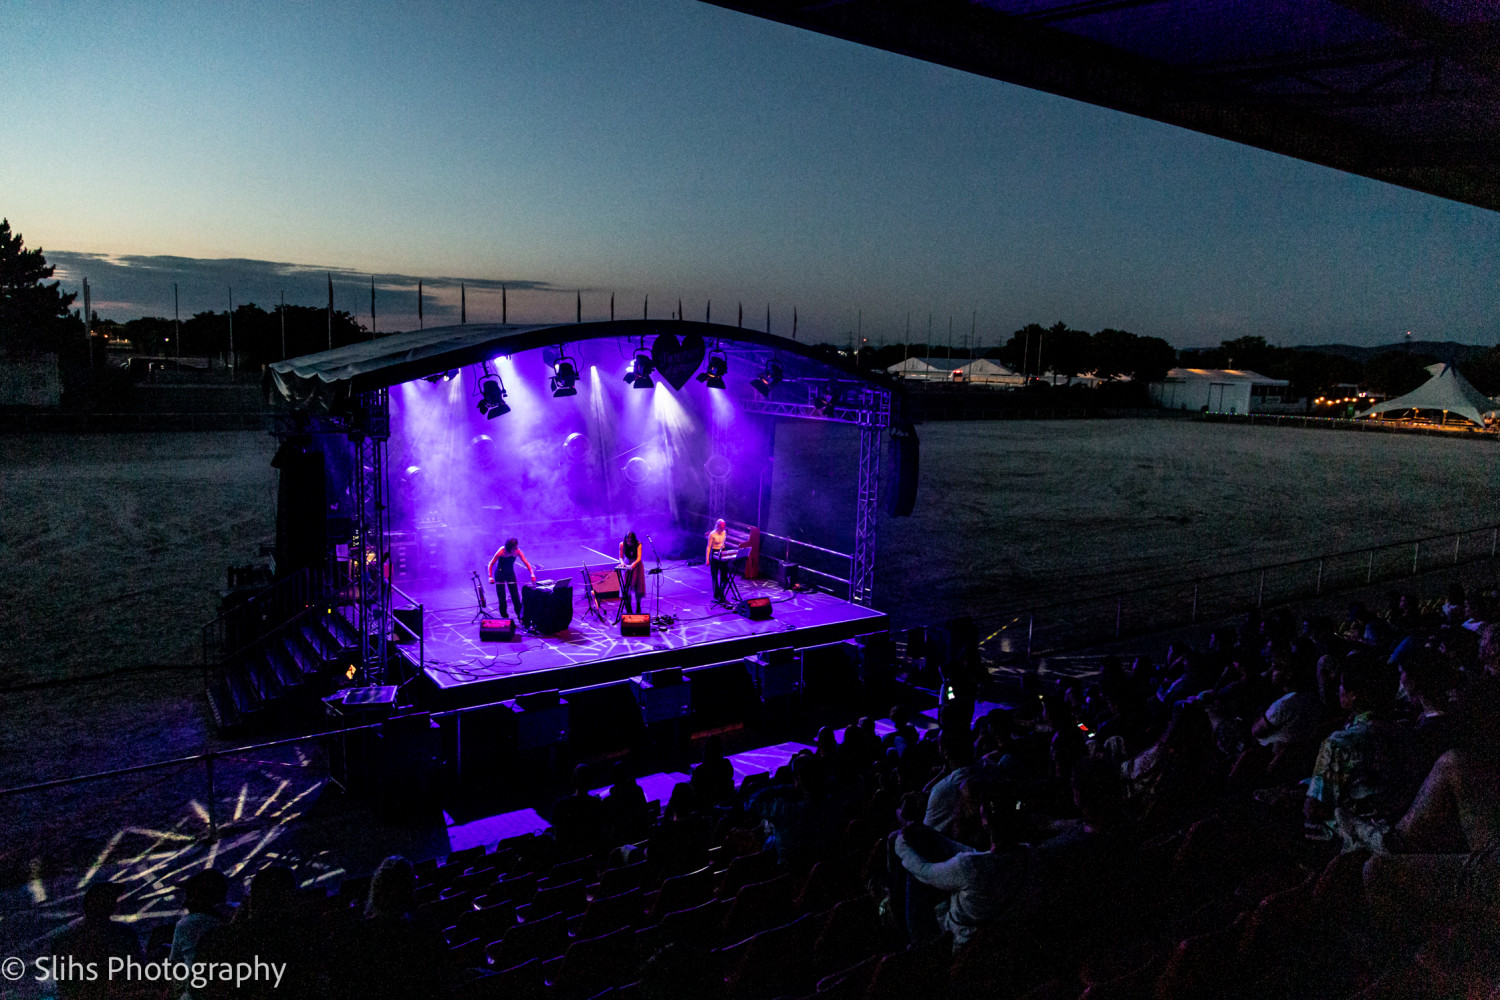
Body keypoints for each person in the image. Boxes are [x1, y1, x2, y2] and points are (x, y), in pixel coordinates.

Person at [486, 536, 535, 618]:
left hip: (510, 573)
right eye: (515, 547)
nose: (517, 548)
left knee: (515, 594)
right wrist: (490, 576)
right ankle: (504, 616)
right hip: (500, 573)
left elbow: (526, 563)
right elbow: (490, 564)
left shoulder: (517, 551)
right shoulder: (501, 551)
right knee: (502, 596)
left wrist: (532, 573)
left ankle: (520, 615)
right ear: (510, 547)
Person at [619, 530, 646, 615]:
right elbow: (620, 557)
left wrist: (634, 564)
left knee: (638, 586)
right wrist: (622, 563)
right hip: (628, 563)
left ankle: (638, 606)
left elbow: (639, 558)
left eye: (630, 541)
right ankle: (629, 607)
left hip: (637, 565)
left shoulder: (638, 544)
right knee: (627, 586)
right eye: (627, 541)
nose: (629, 542)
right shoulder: (622, 544)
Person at [706, 518, 730, 602]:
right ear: (717, 526)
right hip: (715, 553)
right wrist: (707, 559)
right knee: (715, 576)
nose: (722, 528)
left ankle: (721, 593)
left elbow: (724, 544)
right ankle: (717, 594)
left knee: (725, 576)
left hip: (723, 552)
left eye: (724, 527)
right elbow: (709, 547)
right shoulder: (712, 534)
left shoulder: (725, 533)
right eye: (721, 527)